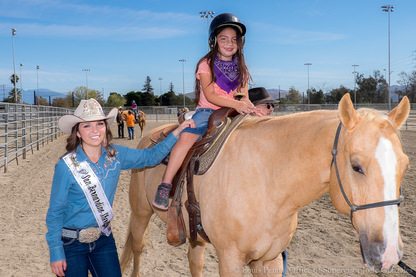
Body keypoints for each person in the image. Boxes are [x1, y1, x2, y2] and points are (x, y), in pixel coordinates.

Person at [45, 98, 195, 277]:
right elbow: (55, 212)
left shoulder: (116, 156)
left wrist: (178, 131)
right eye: (87, 126)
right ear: (77, 132)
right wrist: (56, 251)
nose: (95, 130)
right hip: (71, 244)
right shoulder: (66, 166)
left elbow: (152, 156)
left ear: (105, 127)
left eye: (99, 124)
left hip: (103, 240)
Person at [152, 13, 262, 210]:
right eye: (224, 38)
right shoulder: (206, 64)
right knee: (186, 139)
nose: (229, 43)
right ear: (214, 41)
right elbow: (210, 95)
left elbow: (243, 95)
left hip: (234, 111)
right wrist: (236, 104)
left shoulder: (242, 68)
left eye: (234, 39)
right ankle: (165, 183)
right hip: (208, 112)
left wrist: (249, 107)